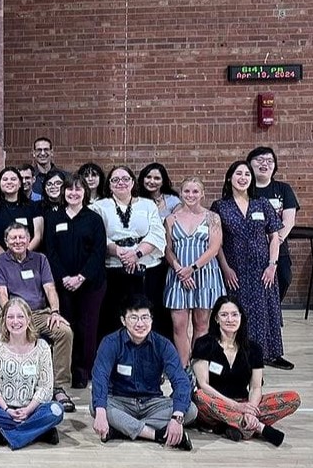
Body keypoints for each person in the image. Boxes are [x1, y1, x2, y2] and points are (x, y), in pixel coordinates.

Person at [211, 160, 290, 369]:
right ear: (230, 178)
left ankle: (268, 354)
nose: (243, 177)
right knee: (238, 311)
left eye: (247, 174)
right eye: (238, 173)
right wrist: (225, 268)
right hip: (235, 270)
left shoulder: (262, 203)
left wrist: (272, 264)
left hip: (263, 269)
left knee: (265, 310)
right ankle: (239, 355)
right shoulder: (220, 206)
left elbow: (274, 236)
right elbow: (216, 243)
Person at [90, 295, 196, 450]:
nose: (140, 323)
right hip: (120, 401)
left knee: (191, 410)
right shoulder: (111, 342)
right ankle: (156, 435)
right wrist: (100, 412)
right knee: (97, 407)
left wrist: (177, 417)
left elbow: (180, 381)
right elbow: (100, 377)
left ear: (152, 320)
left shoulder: (163, 345)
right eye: (134, 318)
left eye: (145, 317)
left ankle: (122, 431)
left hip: (152, 402)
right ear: (123, 320)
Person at [192, 296, 300, 446]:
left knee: (293, 398)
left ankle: (234, 425)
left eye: (234, 314)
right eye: (224, 315)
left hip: (245, 402)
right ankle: (257, 427)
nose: (230, 319)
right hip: (216, 403)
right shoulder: (203, 344)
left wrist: (249, 410)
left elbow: (256, 387)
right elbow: (203, 385)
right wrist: (235, 407)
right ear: (216, 318)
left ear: (241, 317)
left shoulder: (254, 349)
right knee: (199, 397)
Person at [0, 223, 75, 412]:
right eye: (13, 238)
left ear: (29, 240)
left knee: (64, 332)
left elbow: (50, 288)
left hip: (38, 313)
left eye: (22, 237)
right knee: (7, 334)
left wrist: (55, 311)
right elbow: (1, 292)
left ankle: (58, 387)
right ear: (6, 241)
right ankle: (9, 386)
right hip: (12, 312)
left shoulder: (40, 259)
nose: (18, 241)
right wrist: (10, 315)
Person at [42, 174, 107, 389]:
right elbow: (50, 251)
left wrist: (81, 277)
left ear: (85, 193)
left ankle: (83, 371)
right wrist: (64, 277)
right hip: (62, 284)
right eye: (69, 189)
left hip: (90, 284)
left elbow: (98, 253)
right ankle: (65, 370)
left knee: (87, 328)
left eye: (78, 189)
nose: (73, 193)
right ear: (63, 193)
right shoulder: (54, 218)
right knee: (66, 326)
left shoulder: (94, 218)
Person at [0, 297, 65, 449]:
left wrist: (28, 410)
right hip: (2, 408)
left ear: (29, 319)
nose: (15, 321)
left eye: (20, 316)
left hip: (32, 409)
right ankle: (39, 432)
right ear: (4, 320)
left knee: (56, 410)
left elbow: (46, 387)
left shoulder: (41, 346)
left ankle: (3, 434)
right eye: (10, 317)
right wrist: (7, 410)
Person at [91, 165, 166, 340]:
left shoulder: (147, 205)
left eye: (125, 179)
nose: (121, 183)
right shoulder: (99, 207)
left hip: (146, 268)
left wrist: (137, 254)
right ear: (109, 185)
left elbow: (157, 233)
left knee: (144, 315)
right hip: (113, 268)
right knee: (115, 317)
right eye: (115, 180)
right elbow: (97, 236)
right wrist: (118, 251)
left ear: (133, 182)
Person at [163, 177, 225, 366]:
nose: (191, 195)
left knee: (201, 324)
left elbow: (214, 248)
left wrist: (192, 268)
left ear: (202, 194)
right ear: (180, 194)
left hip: (205, 275)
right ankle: (183, 369)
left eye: (195, 191)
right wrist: (180, 269)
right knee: (179, 325)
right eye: (187, 191)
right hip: (178, 276)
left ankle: (198, 366)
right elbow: (167, 248)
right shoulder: (171, 219)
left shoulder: (212, 217)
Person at [247, 146, 299, 302]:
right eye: (260, 160)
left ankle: (274, 311)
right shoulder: (244, 189)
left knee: (284, 278)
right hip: (251, 248)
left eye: (270, 161)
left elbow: (288, 221)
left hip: (278, 247)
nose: (265, 164)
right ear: (250, 163)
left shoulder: (283, 189)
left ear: (275, 166)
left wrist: (276, 241)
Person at [0, 167, 42, 256]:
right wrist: (6, 259)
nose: (9, 182)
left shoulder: (33, 206)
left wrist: (22, 255)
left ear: (20, 183)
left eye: (13, 179)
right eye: (5, 179)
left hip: (26, 259)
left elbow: (38, 236)